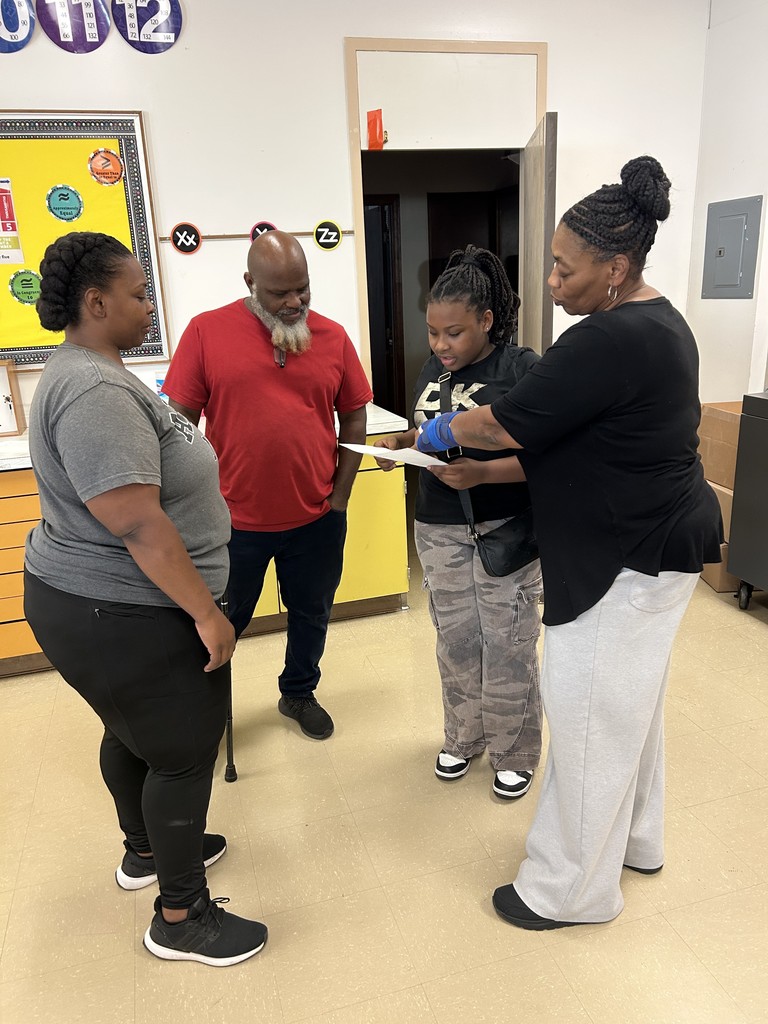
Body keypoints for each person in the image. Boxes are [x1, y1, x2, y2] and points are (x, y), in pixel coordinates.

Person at [416, 157, 722, 929]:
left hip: (626, 551)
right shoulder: (659, 320)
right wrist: (486, 471)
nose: (549, 281)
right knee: (630, 706)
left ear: (615, 268)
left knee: (588, 714)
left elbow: (503, 418)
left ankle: (568, 890)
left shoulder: (607, 340)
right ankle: (637, 840)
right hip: (660, 539)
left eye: (564, 265)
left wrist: (447, 429)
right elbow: (571, 442)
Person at [24, 231, 267, 967]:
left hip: (91, 604)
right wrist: (207, 611)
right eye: (136, 293)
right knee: (183, 755)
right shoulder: (95, 389)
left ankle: (144, 852)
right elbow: (134, 519)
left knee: (133, 734)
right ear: (95, 302)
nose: (147, 303)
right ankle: (182, 918)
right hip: (125, 610)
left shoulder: (81, 373)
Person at [163, 230, 372, 740]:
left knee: (312, 613)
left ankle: (298, 693)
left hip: (317, 518)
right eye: (280, 293)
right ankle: (205, 714)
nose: (295, 302)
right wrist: (189, 508)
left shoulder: (333, 336)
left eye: (303, 289)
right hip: (232, 524)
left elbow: (356, 419)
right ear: (250, 282)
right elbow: (178, 429)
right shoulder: (207, 332)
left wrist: (340, 496)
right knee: (221, 624)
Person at [374, 246, 543, 798]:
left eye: (455, 333)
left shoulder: (521, 369)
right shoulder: (431, 369)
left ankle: (514, 750)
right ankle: (463, 737)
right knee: (456, 638)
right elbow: (427, 433)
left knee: (509, 640)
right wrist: (400, 444)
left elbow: (548, 454)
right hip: (439, 527)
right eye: (433, 332)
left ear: (487, 320)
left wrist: (484, 474)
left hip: (505, 530)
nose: (441, 346)